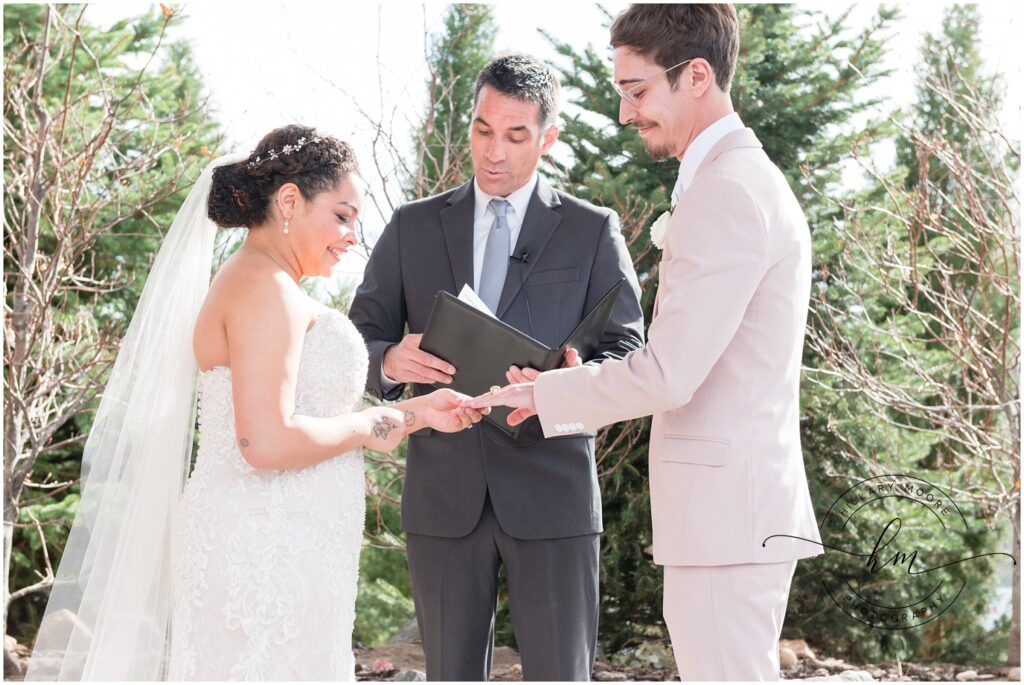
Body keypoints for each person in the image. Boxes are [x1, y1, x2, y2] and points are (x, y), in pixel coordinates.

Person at [25, 125, 484, 681]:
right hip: (265, 553)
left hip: (281, 542)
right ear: (289, 200)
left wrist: (420, 411)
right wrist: (373, 421)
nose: (352, 236)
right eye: (342, 216)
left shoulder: (260, 282)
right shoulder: (267, 289)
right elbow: (265, 442)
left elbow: (299, 422)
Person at [463, 6, 823, 681]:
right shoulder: (733, 181)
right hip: (730, 513)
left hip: (727, 519)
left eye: (637, 91)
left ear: (696, 76)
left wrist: (546, 392)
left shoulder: (728, 190)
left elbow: (670, 373)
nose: (626, 114)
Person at [349, 55, 644, 681]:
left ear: (548, 138)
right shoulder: (412, 227)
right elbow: (359, 339)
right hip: (443, 495)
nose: (494, 152)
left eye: (515, 136)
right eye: (483, 130)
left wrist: (571, 377)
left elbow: (628, 351)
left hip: (554, 491)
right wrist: (391, 360)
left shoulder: (593, 232)